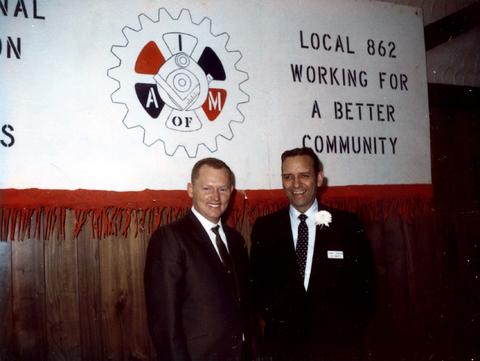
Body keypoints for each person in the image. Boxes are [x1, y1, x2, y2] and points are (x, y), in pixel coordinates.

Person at [250, 147, 375, 361]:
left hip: (337, 349)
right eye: (288, 177)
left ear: (318, 178)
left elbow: (366, 290)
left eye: (304, 176)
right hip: (283, 349)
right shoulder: (265, 228)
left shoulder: (348, 225)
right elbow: (257, 289)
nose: (296, 184)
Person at [144, 158, 253, 361]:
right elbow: (164, 323)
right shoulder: (170, 238)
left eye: (222, 189)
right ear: (190, 190)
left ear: (231, 191)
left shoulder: (236, 240)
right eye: (207, 188)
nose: (215, 197)